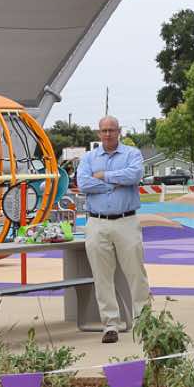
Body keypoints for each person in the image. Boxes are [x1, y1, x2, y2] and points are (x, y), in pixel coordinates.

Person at [77, 116, 150, 343]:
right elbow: (83, 183)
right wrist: (115, 183)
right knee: (102, 276)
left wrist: (103, 176)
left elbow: (134, 175)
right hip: (97, 222)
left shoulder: (132, 154)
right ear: (98, 133)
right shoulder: (88, 158)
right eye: (104, 130)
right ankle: (110, 325)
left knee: (136, 274)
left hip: (126, 221)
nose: (108, 134)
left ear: (119, 131)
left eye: (112, 130)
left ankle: (144, 323)